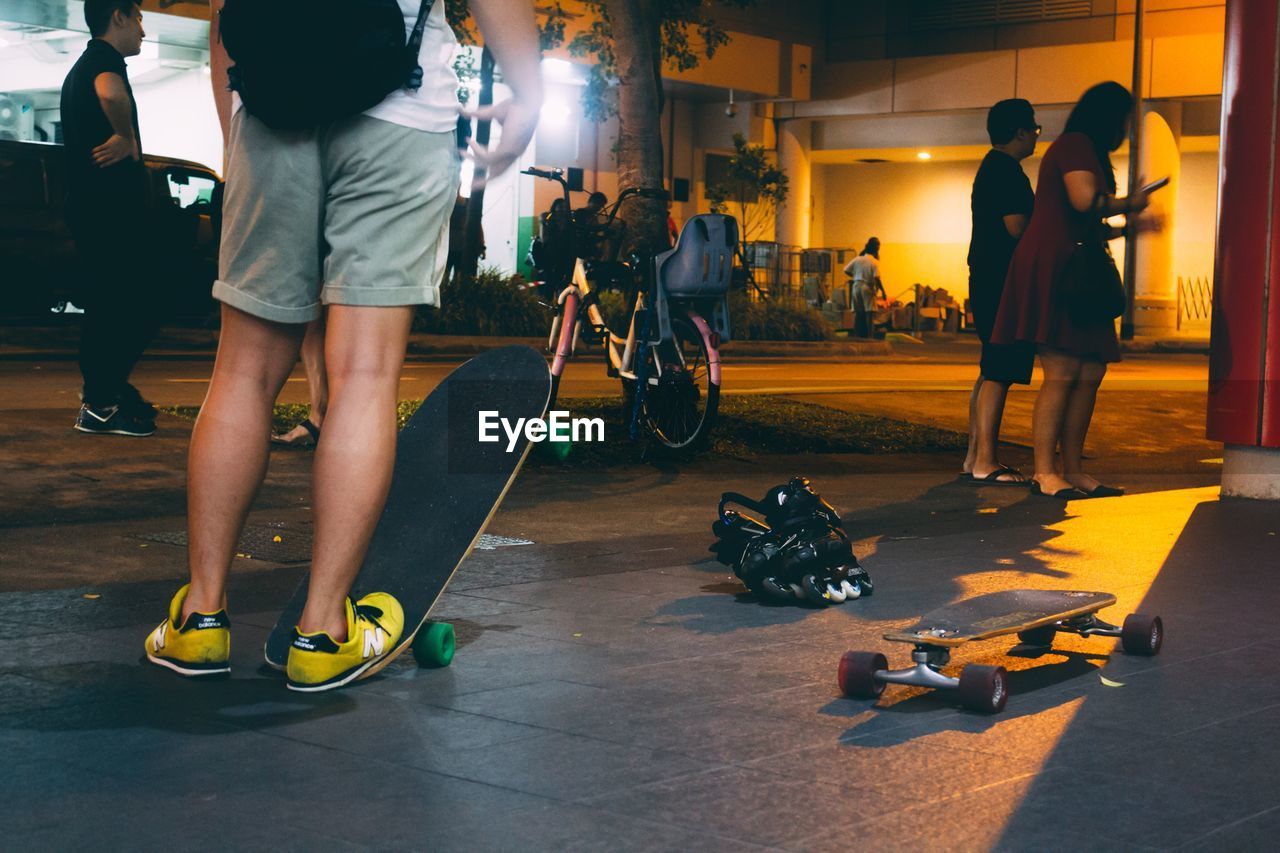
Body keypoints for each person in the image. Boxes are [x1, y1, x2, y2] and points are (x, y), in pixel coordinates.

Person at [143, 0, 542, 691]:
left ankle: (200, 619)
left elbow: (222, 16)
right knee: (363, 373)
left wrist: (236, 138)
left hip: (273, 107)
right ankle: (324, 629)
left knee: (241, 372)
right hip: (400, 108)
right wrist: (527, 93)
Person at [991, 82, 1158, 499]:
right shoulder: (1076, 144)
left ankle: (1073, 469)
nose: (1127, 128)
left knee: (1089, 372)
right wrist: (1131, 204)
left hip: (1075, 268)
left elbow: (1081, 217)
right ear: (1109, 116)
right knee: (1064, 372)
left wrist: (1126, 224)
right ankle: (1046, 472)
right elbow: (1084, 201)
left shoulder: (1082, 147)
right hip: (1059, 269)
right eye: (1124, 118)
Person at [61, 0, 159, 437]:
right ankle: (101, 402)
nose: (142, 27)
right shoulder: (103, 60)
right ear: (117, 15)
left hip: (96, 213)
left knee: (118, 303)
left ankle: (108, 392)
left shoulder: (86, 62)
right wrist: (127, 136)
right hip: (110, 215)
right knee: (127, 304)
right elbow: (109, 91)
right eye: (137, 17)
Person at [961, 99, 1039, 485]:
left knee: (990, 366)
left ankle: (975, 457)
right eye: (1035, 129)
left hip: (986, 276)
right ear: (1021, 132)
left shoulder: (990, 167)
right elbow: (1018, 228)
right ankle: (985, 462)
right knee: (999, 367)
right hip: (1003, 280)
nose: (1037, 136)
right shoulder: (1008, 172)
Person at [843, 238, 884, 338]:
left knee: (858, 313)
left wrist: (856, 275)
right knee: (869, 313)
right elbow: (876, 278)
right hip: (867, 287)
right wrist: (883, 291)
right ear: (876, 249)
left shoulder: (858, 259)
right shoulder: (874, 261)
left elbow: (846, 270)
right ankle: (870, 336)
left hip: (856, 286)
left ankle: (857, 335)